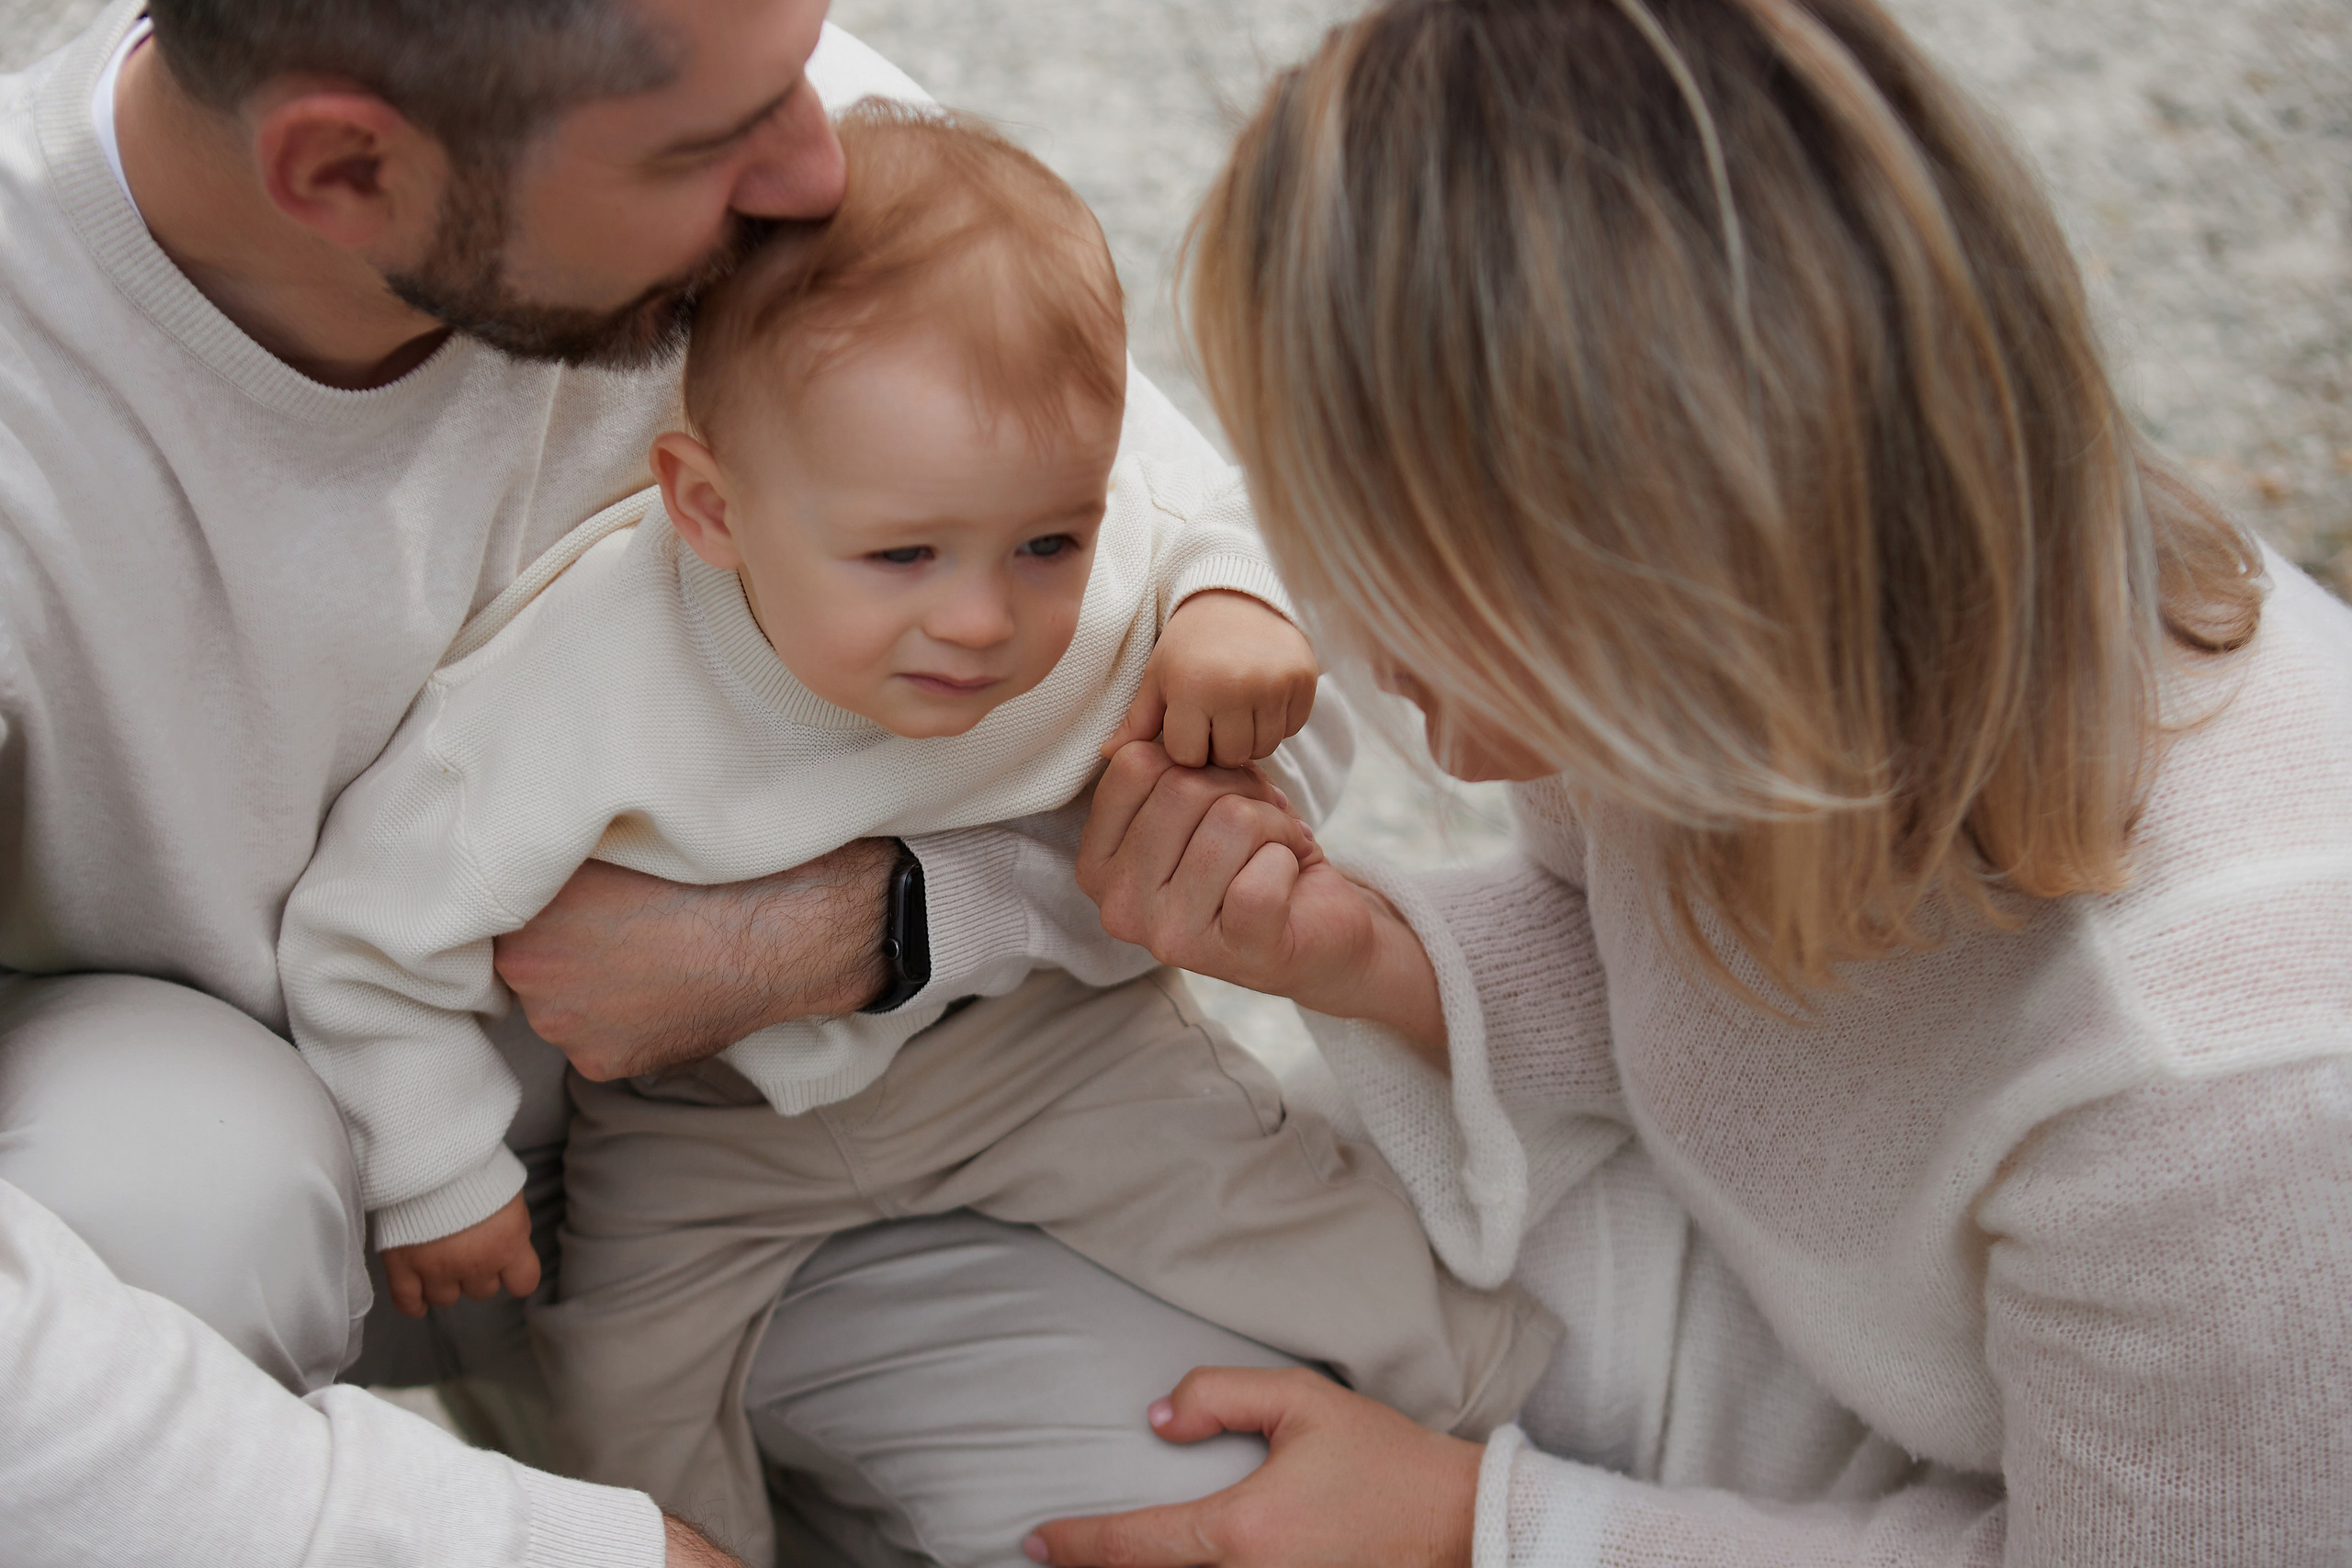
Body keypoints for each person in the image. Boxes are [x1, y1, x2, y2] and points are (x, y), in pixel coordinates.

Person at [0, 1, 1344, 1562]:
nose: (814, 164)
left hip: (804, 1142)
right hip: (249, 1217)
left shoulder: (745, 108)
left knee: (1232, 1515)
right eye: (717, 144)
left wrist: (866, 926)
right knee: (180, 1184)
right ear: (347, 168)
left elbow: (1270, 707)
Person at [1035, 0, 2352, 1563]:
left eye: (1395, 567)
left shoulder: (2231, 1092)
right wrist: (1372, 959)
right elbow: (1723, 1005)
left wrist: (1492, 1528)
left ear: (1649, 559)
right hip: (1836, 1321)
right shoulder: (1773, 648)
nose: (1357, 642)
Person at [278, 101, 1554, 1564]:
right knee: (618, 1397)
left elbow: (1200, 516)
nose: (980, 617)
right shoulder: (571, 687)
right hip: (707, 1134)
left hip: (1041, 1050)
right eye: (902, 558)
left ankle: (1538, 1456)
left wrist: (1232, 602)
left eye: (1045, 547)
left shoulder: (1068, 556)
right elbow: (366, 930)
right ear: (708, 508)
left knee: (1323, 1241)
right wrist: (440, 1167)